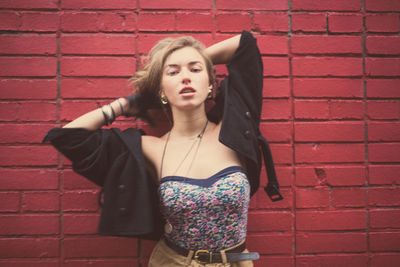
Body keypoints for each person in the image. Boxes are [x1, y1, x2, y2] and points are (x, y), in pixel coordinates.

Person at [43, 30, 283, 266]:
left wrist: (199, 57)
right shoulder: (150, 148)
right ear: (161, 92)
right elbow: (68, 137)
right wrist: (125, 105)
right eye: (173, 72)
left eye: (195, 70)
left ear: (211, 85)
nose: (186, 77)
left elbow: (245, 44)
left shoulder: (236, 129)